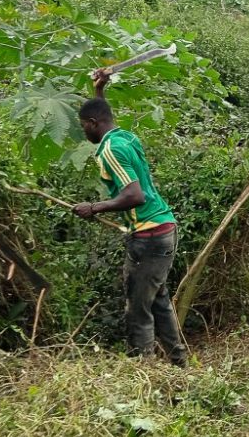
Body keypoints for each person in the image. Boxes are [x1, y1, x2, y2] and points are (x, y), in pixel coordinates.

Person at [72, 68, 186, 365]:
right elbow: (105, 115)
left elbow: (135, 195)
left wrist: (94, 207)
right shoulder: (124, 137)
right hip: (163, 228)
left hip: (149, 235)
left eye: (84, 126)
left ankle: (142, 373)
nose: (84, 131)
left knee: (138, 309)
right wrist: (99, 90)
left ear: (94, 124)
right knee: (158, 301)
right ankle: (179, 363)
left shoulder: (110, 150)